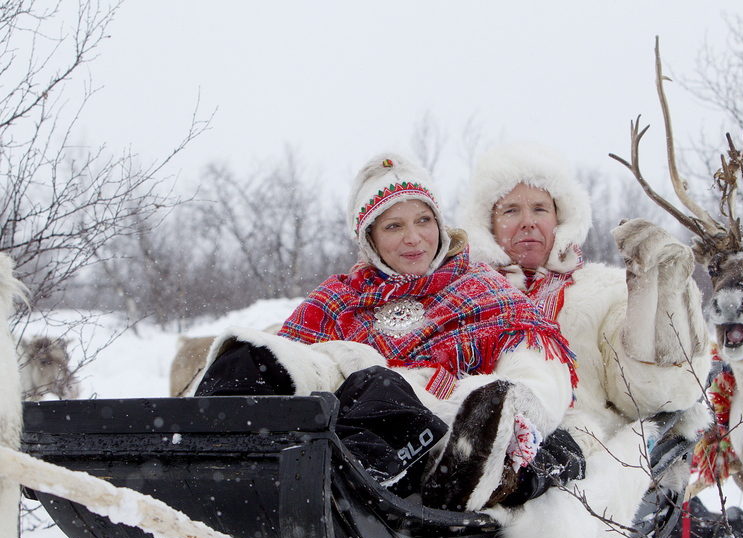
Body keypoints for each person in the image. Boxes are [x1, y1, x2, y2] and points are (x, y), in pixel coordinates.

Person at [195, 153, 584, 511]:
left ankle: (436, 474)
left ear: (439, 223)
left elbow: (539, 369)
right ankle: (207, 456)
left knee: (378, 386)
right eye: (394, 226)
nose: (413, 238)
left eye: (423, 221)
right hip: (338, 426)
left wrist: (494, 408)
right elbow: (301, 358)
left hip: (443, 430)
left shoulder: (482, 288)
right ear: (371, 238)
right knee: (253, 357)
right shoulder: (338, 298)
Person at [456, 143, 712, 538]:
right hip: (480, 438)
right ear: (488, 224)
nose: (528, 220)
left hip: (578, 445)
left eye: (540, 208)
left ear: (562, 219)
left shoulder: (603, 292)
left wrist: (657, 292)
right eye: (510, 210)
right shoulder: (463, 296)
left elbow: (652, 391)